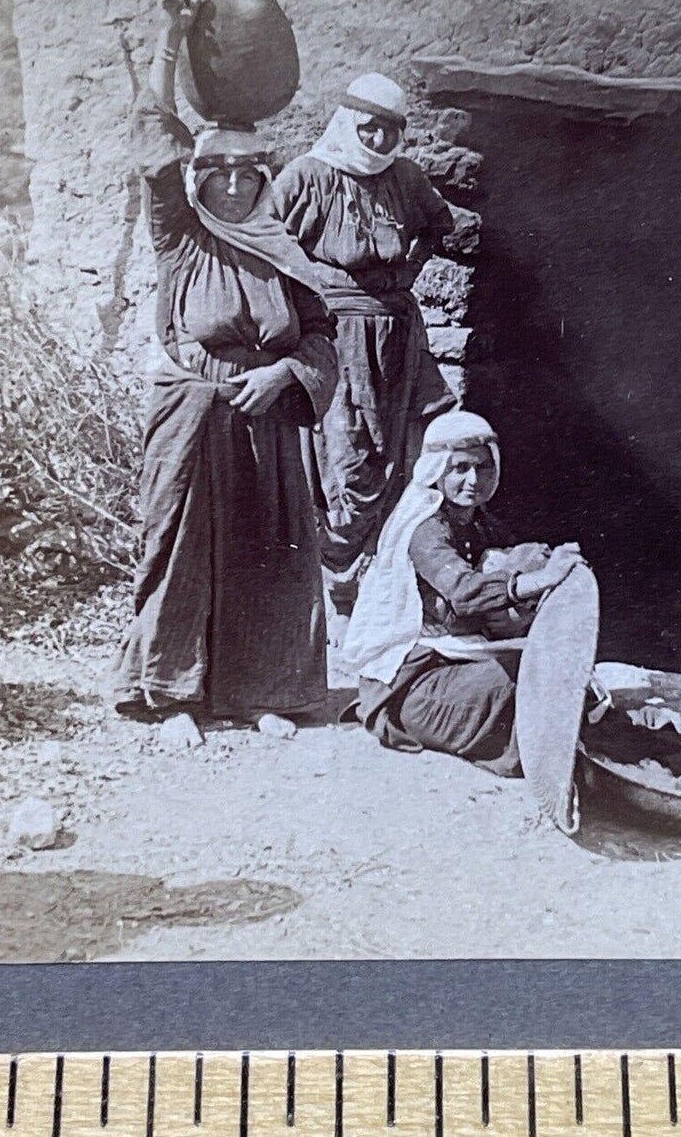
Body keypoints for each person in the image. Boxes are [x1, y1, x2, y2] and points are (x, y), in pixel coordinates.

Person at [112, 125, 339, 740]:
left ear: (265, 182)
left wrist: (285, 373)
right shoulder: (182, 240)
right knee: (180, 545)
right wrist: (167, 41)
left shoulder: (280, 253)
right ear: (200, 182)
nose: (234, 187)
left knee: (264, 550)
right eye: (219, 175)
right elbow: (157, 157)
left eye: (247, 175)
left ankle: (259, 691)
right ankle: (173, 695)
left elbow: (320, 334)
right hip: (192, 414)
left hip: (263, 419)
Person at [271, 74, 458, 617]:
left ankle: (371, 585)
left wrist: (408, 272)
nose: (377, 141)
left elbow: (439, 225)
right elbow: (267, 240)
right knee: (344, 452)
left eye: (389, 131)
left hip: (395, 334)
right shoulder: (307, 175)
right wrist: (310, 294)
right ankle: (329, 574)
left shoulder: (406, 177)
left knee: (393, 450)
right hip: (335, 332)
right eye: (368, 128)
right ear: (348, 123)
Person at [339, 411, 583, 775]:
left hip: (458, 663)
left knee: (549, 666)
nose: (474, 480)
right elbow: (465, 593)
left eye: (483, 467)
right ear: (437, 471)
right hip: (412, 686)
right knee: (517, 679)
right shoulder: (425, 530)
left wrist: (544, 565)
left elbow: (512, 568)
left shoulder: (481, 523)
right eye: (460, 468)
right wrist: (541, 579)